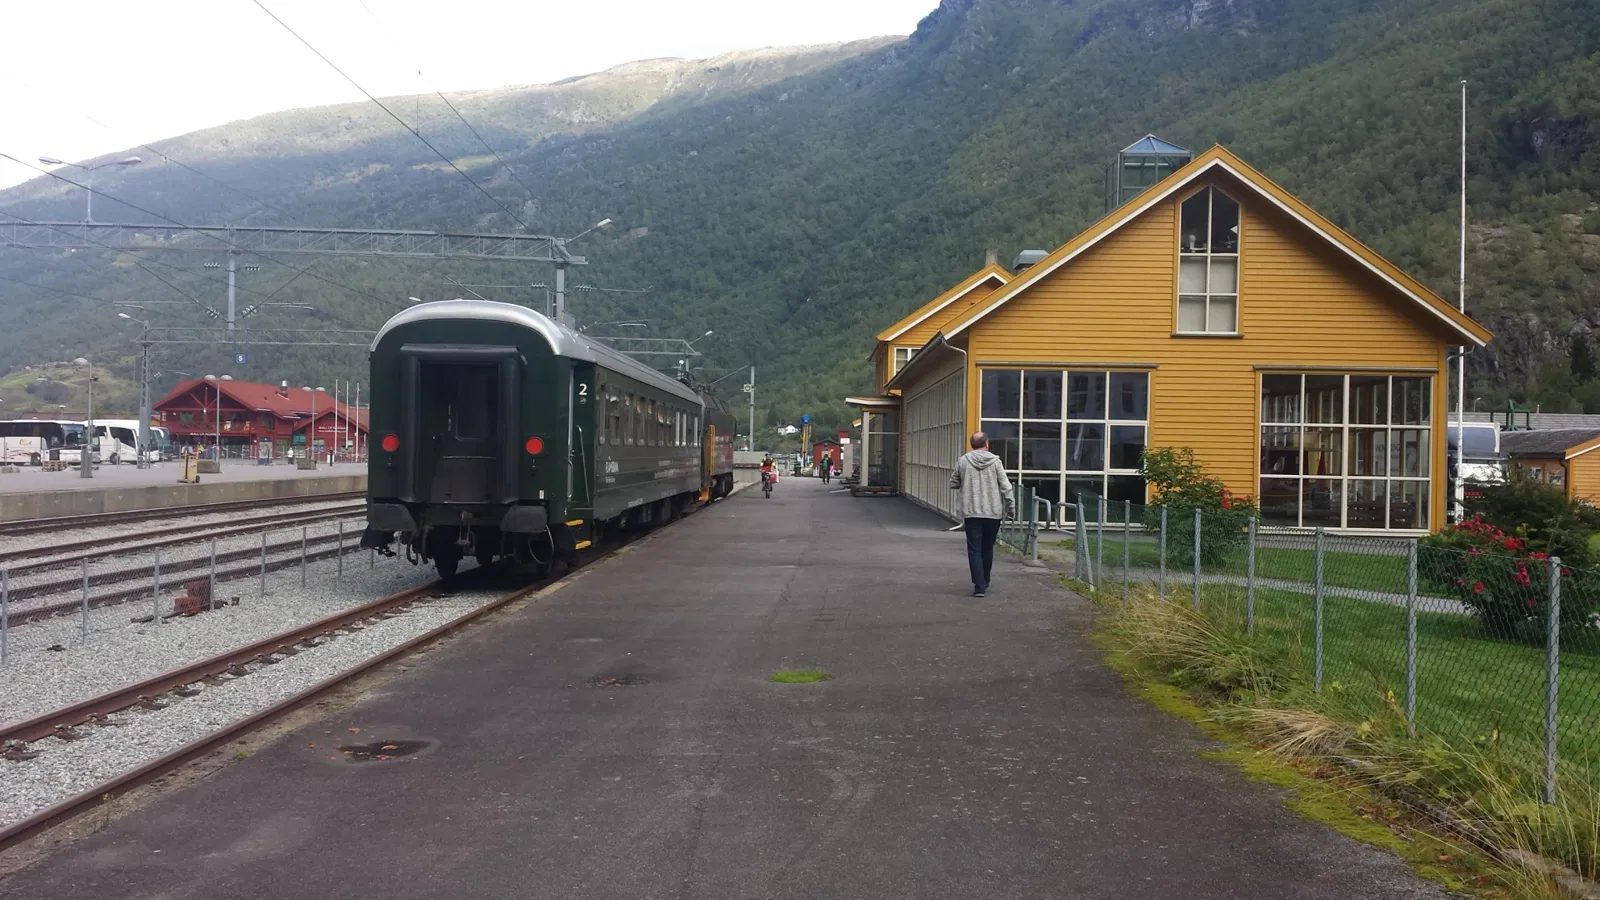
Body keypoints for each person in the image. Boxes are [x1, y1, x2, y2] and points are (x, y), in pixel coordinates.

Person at [949, 431, 1014, 598]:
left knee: (974, 549)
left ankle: (979, 586)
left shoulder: (963, 460)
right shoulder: (996, 462)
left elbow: (953, 482)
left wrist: (965, 482)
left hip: (972, 512)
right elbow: (1006, 487)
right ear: (987, 444)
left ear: (972, 445)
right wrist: (1011, 508)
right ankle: (985, 580)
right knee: (987, 548)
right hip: (993, 512)